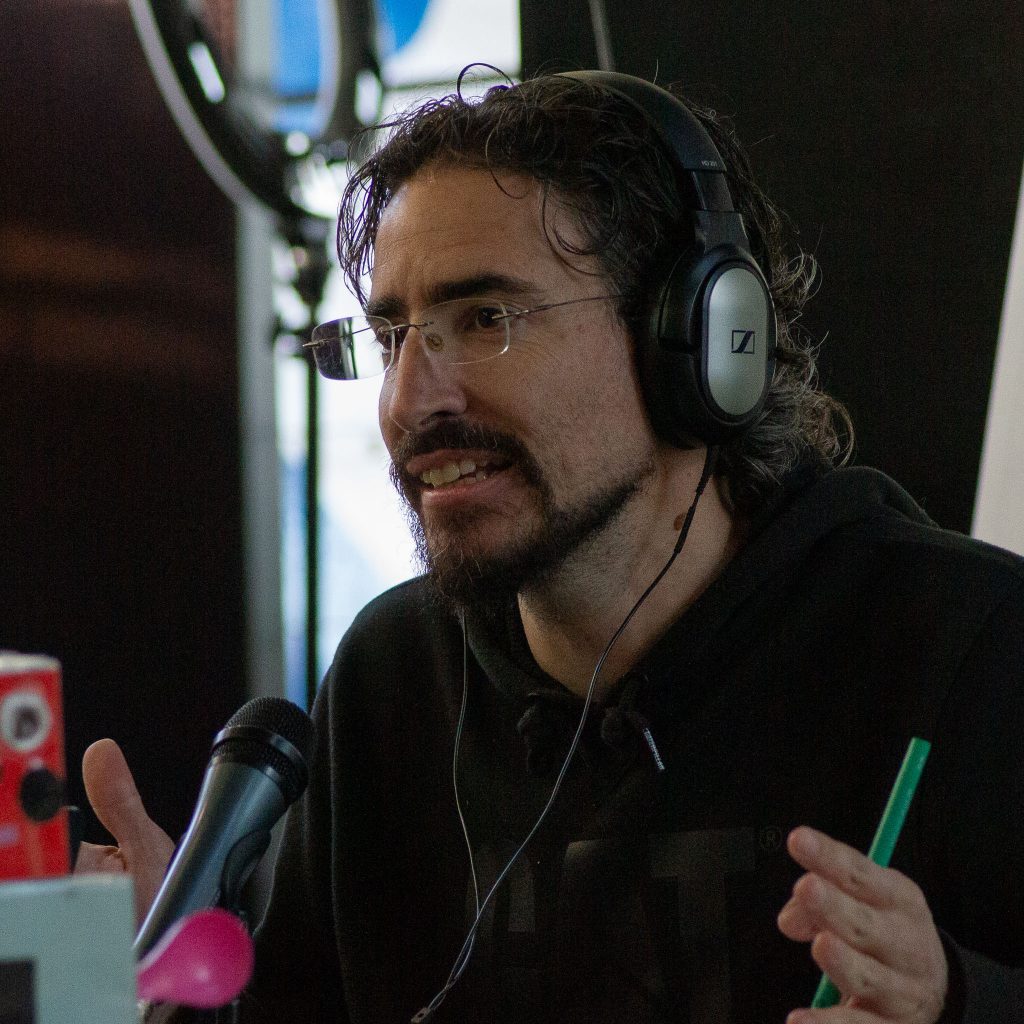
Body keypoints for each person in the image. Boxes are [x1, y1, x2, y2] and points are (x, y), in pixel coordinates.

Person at [77, 70, 1024, 1024]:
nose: (411, 401)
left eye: (486, 319)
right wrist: (169, 993)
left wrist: (959, 1004)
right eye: (393, 336)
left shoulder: (965, 649)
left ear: (699, 341)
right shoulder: (390, 682)